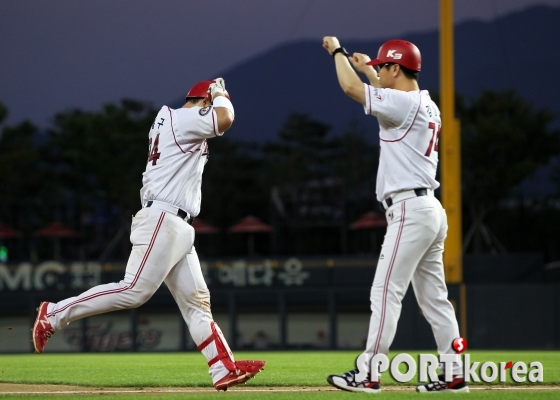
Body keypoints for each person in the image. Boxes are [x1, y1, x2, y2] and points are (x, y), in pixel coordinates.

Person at [32, 78, 266, 391]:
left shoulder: (173, 120)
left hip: (176, 223)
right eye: (210, 102)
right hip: (163, 218)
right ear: (204, 101)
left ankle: (222, 368)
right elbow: (225, 118)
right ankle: (54, 314)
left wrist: (214, 95)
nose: (215, 106)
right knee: (133, 290)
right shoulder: (183, 118)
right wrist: (220, 93)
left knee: (197, 303)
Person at [322, 37, 468, 393]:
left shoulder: (403, 104)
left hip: (410, 211)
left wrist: (338, 53)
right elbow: (380, 93)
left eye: (384, 65)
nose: (380, 70)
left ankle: (369, 373)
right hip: (429, 208)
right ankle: (453, 373)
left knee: (384, 291)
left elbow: (350, 88)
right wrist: (369, 69)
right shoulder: (424, 103)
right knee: (434, 299)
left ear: (397, 69)